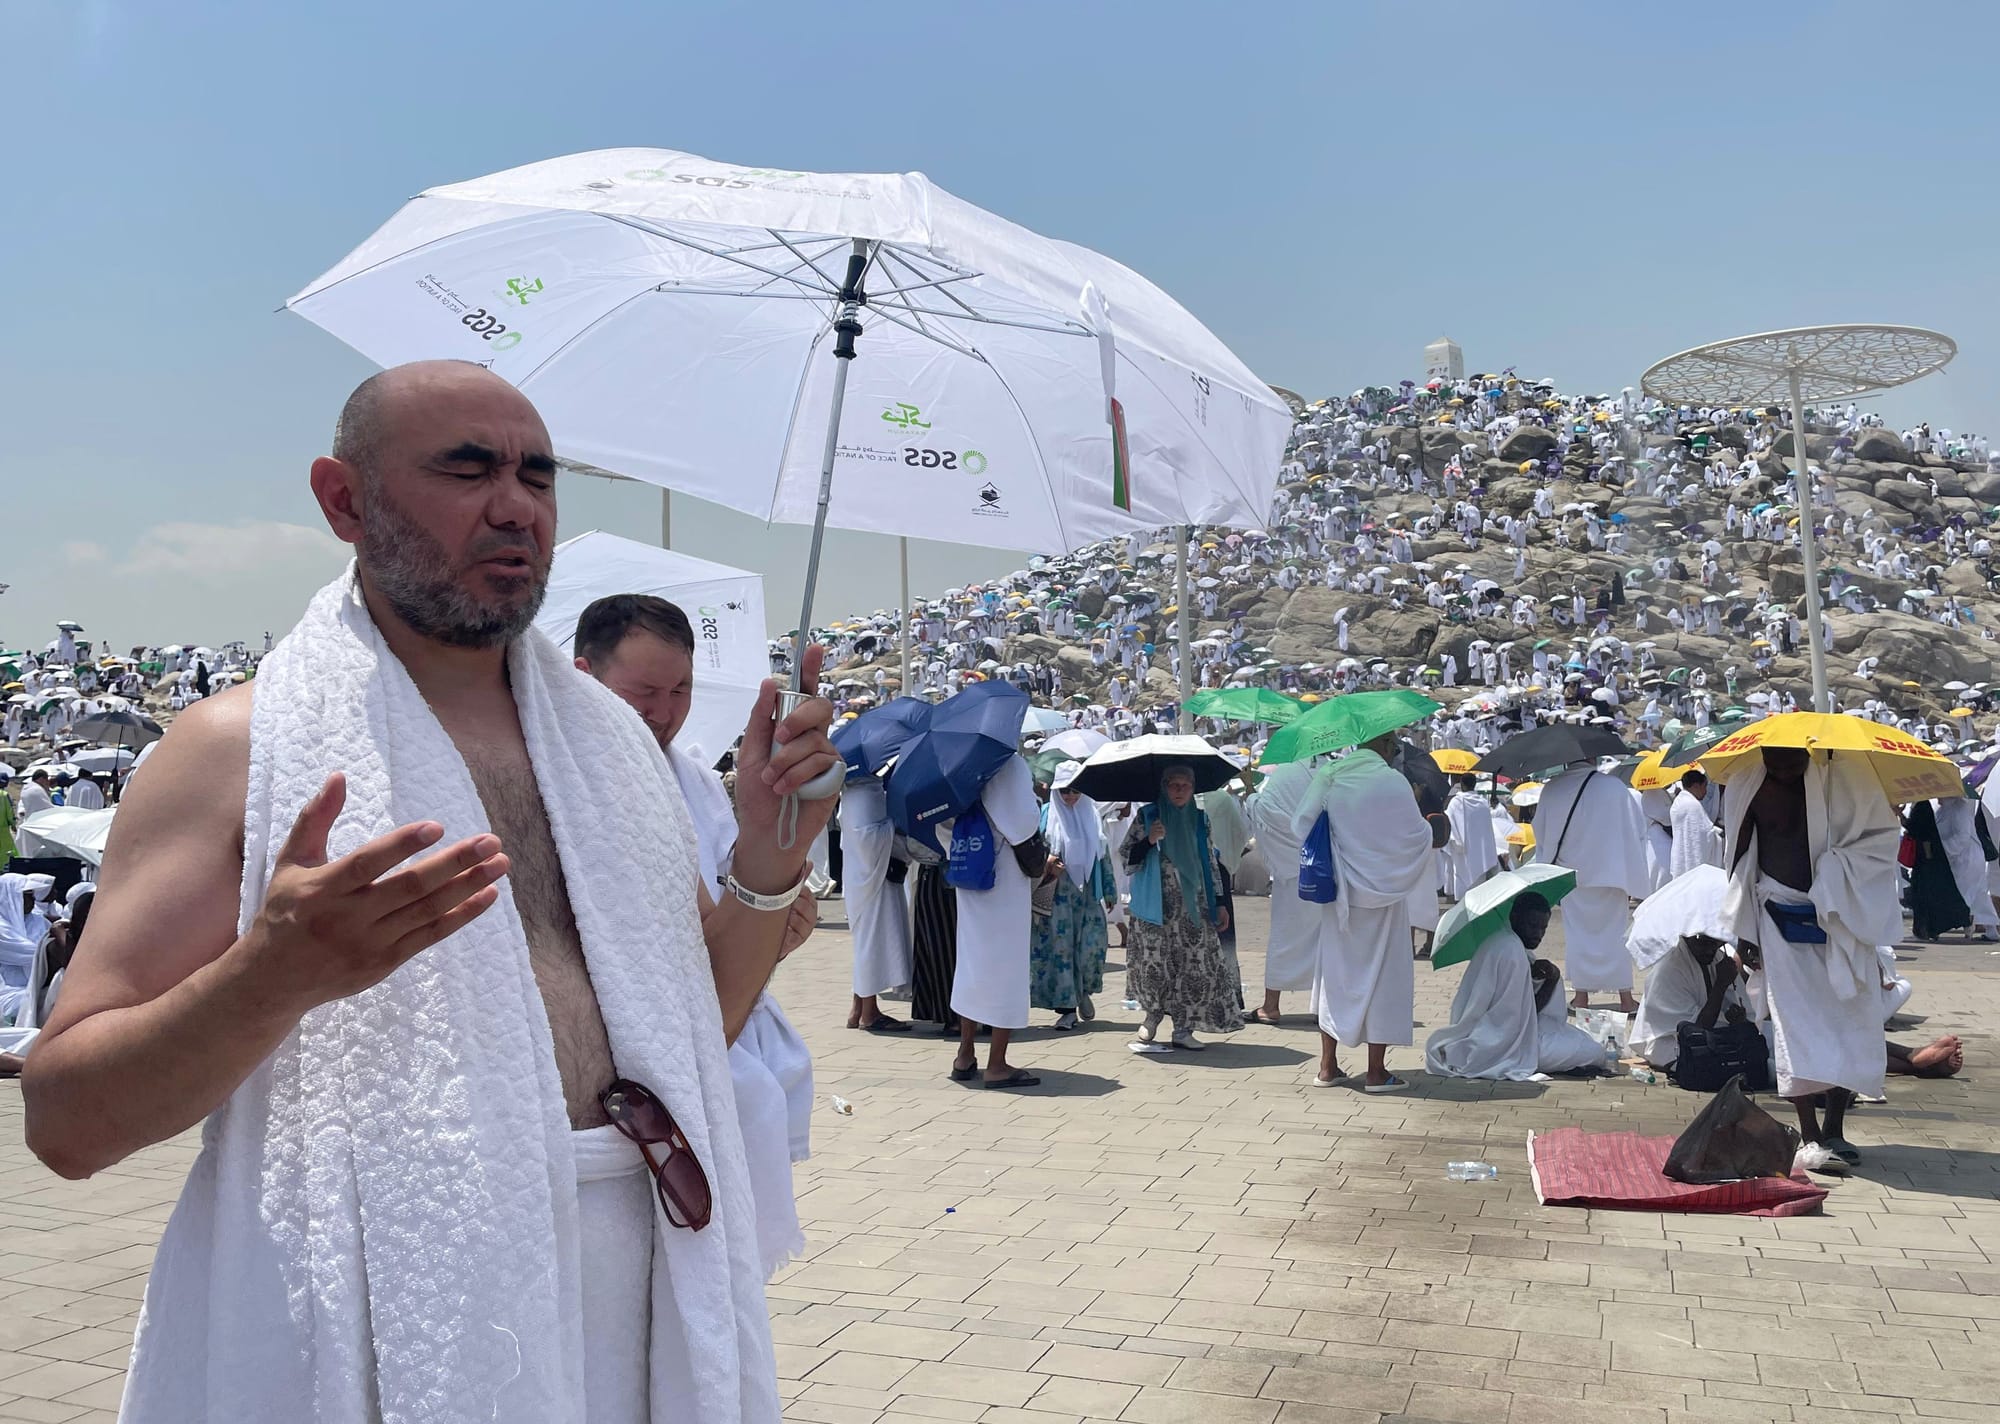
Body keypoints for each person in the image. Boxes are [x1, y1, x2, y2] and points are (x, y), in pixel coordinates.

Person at [23, 361, 837, 1423]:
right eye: (467, 469)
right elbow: (67, 1122)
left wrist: (768, 861)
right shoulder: (237, 750)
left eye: (537, 476)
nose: (516, 506)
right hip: (371, 1327)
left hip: (637, 1313)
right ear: (344, 501)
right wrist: (272, 975)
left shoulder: (610, 751)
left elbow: (696, 1030)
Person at [572, 591, 820, 1282]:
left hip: (722, 1019)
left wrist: (775, 914)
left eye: (680, 690)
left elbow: (733, 895)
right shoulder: (568, 779)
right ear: (584, 675)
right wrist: (753, 918)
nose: (665, 711)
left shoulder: (694, 777)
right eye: (644, 692)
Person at [1725, 746, 1902, 1167]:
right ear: (1763, 756)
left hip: (1843, 914)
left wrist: (1837, 874)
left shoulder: (1845, 780)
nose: (1785, 772)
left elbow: (1879, 843)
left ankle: (1835, 1128)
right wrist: (1743, 929)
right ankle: (1809, 1134)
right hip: (1776, 913)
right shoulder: (1749, 786)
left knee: (1850, 1017)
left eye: (1793, 764)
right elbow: (1738, 858)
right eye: (1775, 765)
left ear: (1809, 753)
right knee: (1793, 1024)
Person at [1293, 734, 1433, 1090]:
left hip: (1340, 892)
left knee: (1334, 975)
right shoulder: (1394, 782)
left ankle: (1327, 1066)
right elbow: (1418, 836)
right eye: (1394, 747)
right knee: (1384, 978)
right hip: (1385, 896)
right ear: (1384, 745)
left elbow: (1300, 825)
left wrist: (1339, 847)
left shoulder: (1330, 776)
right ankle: (1376, 1072)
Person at [1123, 765, 1239, 1053]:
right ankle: (1152, 1016)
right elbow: (1126, 859)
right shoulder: (1148, 816)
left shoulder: (1200, 819)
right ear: (1164, 787)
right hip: (1155, 906)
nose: (1179, 791)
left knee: (1192, 964)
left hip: (1193, 905)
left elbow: (1210, 861)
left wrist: (1220, 902)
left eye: (1185, 785)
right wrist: (1149, 840)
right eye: (1173, 785)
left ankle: (1183, 1028)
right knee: (1154, 963)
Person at [947, 754, 1046, 1088]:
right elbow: (1023, 823)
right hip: (1002, 874)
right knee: (1006, 966)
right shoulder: (1007, 762)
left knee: (971, 962)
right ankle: (997, 1064)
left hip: (968, 865)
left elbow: (942, 823)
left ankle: (965, 1054)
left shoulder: (955, 760)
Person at [1533, 761, 1652, 1011]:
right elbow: (1636, 830)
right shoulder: (1615, 787)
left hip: (1572, 875)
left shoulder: (1552, 789)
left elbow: (1540, 831)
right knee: (1616, 936)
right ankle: (1626, 998)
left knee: (1578, 936)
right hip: (1612, 873)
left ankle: (1581, 997)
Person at [1423, 893, 1547, 1081]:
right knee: (1585, 1050)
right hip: (1492, 1043)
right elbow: (1515, 1019)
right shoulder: (1512, 951)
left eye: (1543, 928)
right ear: (1514, 917)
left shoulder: (1501, 939)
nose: (1538, 934)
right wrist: (1551, 982)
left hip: (1476, 1032)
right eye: (1533, 926)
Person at [1030, 762, 1113, 1031]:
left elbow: (1103, 855)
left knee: (1090, 948)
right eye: (1064, 791)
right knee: (1061, 952)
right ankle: (1067, 1008)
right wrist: (1047, 862)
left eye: (1076, 790)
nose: (1070, 796)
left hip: (1087, 895)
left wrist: (1109, 889)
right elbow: (1032, 851)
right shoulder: (1045, 815)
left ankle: (1083, 991)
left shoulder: (1092, 816)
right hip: (1057, 896)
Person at [836, 768, 914, 1032]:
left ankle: (858, 1008)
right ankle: (869, 1012)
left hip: (864, 877)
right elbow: (867, 839)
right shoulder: (865, 793)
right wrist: (894, 826)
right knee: (872, 942)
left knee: (866, 943)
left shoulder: (852, 791)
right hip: (873, 879)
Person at [1247, 759, 1317, 1024]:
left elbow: (1265, 813)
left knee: (1283, 937)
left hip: (1290, 873)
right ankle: (1325, 1007)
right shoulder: (1333, 773)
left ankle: (1270, 1006)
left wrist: (1250, 791)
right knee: (1326, 940)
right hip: (1325, 870)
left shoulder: (1285, 774)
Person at [1629, 932, 1752, 1070]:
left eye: (1716, 943)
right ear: (1688, 937)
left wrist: (1737, 1016)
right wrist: (1720, 985)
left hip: (1711, 1035)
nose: (1710, 950)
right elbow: (1696, 1030)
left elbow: (1741, 1013)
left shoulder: (1718, 958)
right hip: (1671, 1044)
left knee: (1760, 1045)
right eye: (1704, 943)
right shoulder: (1670, 968)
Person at [1933, 792, 1999, 941]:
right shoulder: (1943, 810)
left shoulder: (1960, 809)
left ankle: (1965, 924)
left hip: (1966, 860)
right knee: (1978, 896)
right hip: (1962, 859)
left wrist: (1946, 850)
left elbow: (1962, 835)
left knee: (1964, 894)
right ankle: (1990, 930)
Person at [1903, 797, 1970, 941]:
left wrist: (1900, 815)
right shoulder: (1923, 805)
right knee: (1932, 894)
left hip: (1926, 858)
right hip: (1927, 858)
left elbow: (1918, 829)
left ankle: (1924, 930)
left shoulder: (1922, 805)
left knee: (1925, 895)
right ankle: (1929, 930)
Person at [1440, 773, 1498, 899]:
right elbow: (1488, 831)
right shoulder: (1483, 803)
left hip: (1462, 851)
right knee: (1479, 890)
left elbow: (1449, 824)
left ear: (1462, 784)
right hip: (1481, 853)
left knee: (1462, 880)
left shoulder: (1456, 802)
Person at [1669, 769, 1723, 875]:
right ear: (1696, 786)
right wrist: (1719, 833)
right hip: (1694, 861)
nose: (1706, 791)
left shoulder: (1678, 802)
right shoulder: (1692, 805)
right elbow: (1704, 834)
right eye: (1704, 786)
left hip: (1681, 857)